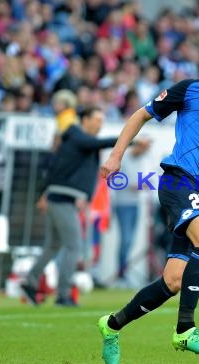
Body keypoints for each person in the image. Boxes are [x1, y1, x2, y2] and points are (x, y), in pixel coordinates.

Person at [97, 30, 199, 364]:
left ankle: (111, 325)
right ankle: (185, 329)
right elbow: (141, 115)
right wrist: (116, 156)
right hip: (178, 180)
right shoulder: (191, 89)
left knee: (173, 281)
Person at [20, 107, 120, 306]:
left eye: (102, 120)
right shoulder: (78, 136)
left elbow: (61, 170)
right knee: (74, 247)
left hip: (60, 197)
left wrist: (46, 193)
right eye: (97, 119)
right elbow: (96, 144)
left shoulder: (78, 141)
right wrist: (128, 140)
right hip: (63, 199)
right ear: (85, 120)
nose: (100, 124)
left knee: (53, 245)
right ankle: (63, 295)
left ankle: (31, 282)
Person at [112, 137, 151, 285]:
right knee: (126, 239)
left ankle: (123, 272)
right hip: (123, 204)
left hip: (135, 204)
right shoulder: (125, 158)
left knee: (130, 241)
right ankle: (121, 274)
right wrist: (136, 185)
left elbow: (145, 180)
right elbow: (118, 180)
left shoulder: (142, 159)